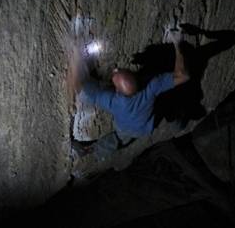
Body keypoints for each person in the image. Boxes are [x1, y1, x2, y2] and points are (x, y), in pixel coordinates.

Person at [70, 31, 190, 161]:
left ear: (116, 91)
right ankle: (178, 123)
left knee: (117, 139)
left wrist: (76, 57)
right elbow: (183, 75)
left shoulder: (112, 102)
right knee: (169, 100)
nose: (115, 70)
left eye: (115, 75)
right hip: (144, 127)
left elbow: (79, 85)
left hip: (126, 130)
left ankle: (89, 150)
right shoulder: (151, 87)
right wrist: (177, 44)